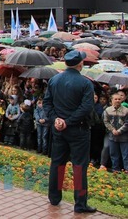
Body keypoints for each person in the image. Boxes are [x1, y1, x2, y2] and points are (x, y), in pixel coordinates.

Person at [43, 50, 96, 213]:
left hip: (59, 129)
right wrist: (68, 121)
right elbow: (86, 108)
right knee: (79, 166)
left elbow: (47, 103)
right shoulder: (86, 83)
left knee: (57, 163)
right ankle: (80, 204)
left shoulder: (54, 80)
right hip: (78, 130)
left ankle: (54, 197)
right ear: (80, 64)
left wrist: (56, 120)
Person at [103, 92, 128, 172]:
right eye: (115, 99)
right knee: (113, 154)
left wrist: (119, 131)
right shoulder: (107, 110)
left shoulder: (126, 110)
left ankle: (126, 170)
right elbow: (106, 121)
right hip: (112, 136)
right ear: (112, 100)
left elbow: (127, 123)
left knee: (125, 155)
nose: (117, 100)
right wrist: (113, 130)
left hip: (124, 136)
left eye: (119, 99)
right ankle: (115, 170)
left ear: (122, 100)